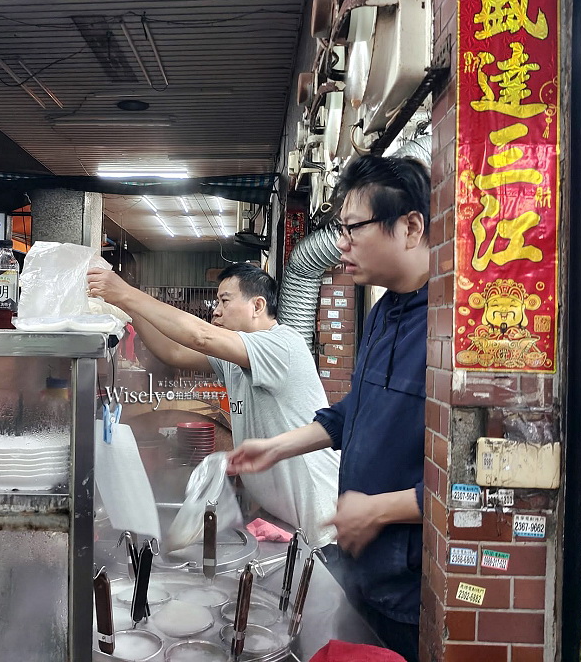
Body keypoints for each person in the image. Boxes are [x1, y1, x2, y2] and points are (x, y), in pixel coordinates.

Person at [225, 154, 430, 662]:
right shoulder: (384, 314)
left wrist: (381, 508)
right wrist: (275, 447)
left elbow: (478, 486)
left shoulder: (453, 327)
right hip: (359, 567)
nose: (341, 243)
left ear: (409, 227)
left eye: (353, 227)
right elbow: (348, 415)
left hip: (411, 591)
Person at [86, 261, 341, 546]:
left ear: (257, 306)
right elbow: (174, 352)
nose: (215, 310)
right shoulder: (234, 357)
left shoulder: (282, 345)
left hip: (320, 527)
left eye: (224, 301)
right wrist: (131, 311)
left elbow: (201, 336)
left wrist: (127, 293)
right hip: (282, 521)